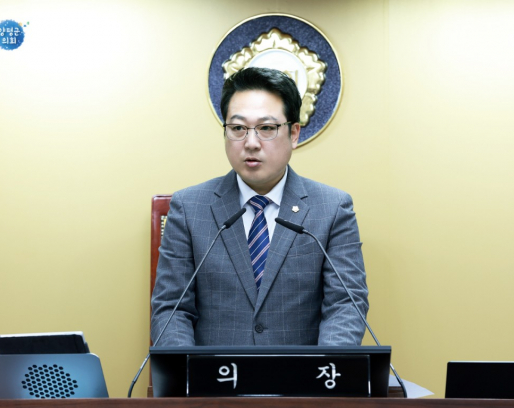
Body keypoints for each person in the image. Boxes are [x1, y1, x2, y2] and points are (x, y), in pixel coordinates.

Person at [150, 67, 368, 346]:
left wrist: (322, 369)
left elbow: (345, 306)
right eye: (238, 128)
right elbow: (172, 309)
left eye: (266, 128)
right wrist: (188, 370)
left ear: (294, 134)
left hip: (302, 374)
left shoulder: (333, 208)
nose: (251, 143)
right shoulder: (189, 208)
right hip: (214, 373)